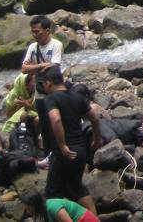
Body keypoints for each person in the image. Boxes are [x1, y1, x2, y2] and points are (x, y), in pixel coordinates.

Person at [38, 66, 100, 215]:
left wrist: (62, 145)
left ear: (49, 83)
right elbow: (95, 118)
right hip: (80, 150)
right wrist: (97, 139)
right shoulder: (77, 97)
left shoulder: (51, 99)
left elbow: (56, 119)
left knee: (52, 195)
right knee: (76, 187)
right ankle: (94, 218)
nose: (43, 87)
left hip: (64, 152)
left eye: (43, 84)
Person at [1, 72, 38, 143]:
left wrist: (27, 105)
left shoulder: (35, 93)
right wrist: (20, 106)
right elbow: (9, 114)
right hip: (18, 118)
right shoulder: (14, 95)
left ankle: (34, 139)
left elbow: (38, 110)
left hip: (31, 117)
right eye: (33, 82)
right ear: (25, 85)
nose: (35, 84)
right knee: (24, 115)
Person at [21, 190, 99, 222]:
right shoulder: (44, 210)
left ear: (36, 205)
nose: (27, 212)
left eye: (29, 209)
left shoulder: (52, 206)